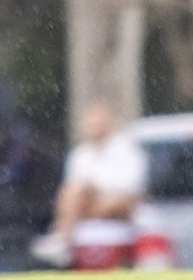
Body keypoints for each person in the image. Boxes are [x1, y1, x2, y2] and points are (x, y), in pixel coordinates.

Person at [34, 100, 147, 267]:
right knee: (72, 192)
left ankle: (62, 236)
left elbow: (130, 185)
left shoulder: (126, 150)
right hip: (88, 203)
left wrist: (95, 187)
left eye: (99, 124)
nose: (95, 128)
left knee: (90, 196)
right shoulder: (80, 154)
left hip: (120, 204)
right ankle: (63, 239)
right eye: (91, 124)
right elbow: (73, 186)